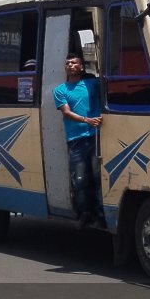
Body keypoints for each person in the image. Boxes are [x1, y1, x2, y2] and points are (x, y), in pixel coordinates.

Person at [53, 53, 103, 228]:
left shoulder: (92, 84)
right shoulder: (60, 90)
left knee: (98, 178)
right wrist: (87, 120)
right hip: (76, 141)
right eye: (67, 63)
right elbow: (66, 112)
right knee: (80, 180)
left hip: (96, 137)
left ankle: (101, 214)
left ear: (81, 67)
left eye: (74, 63)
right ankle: (85, 213)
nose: (70, 65)